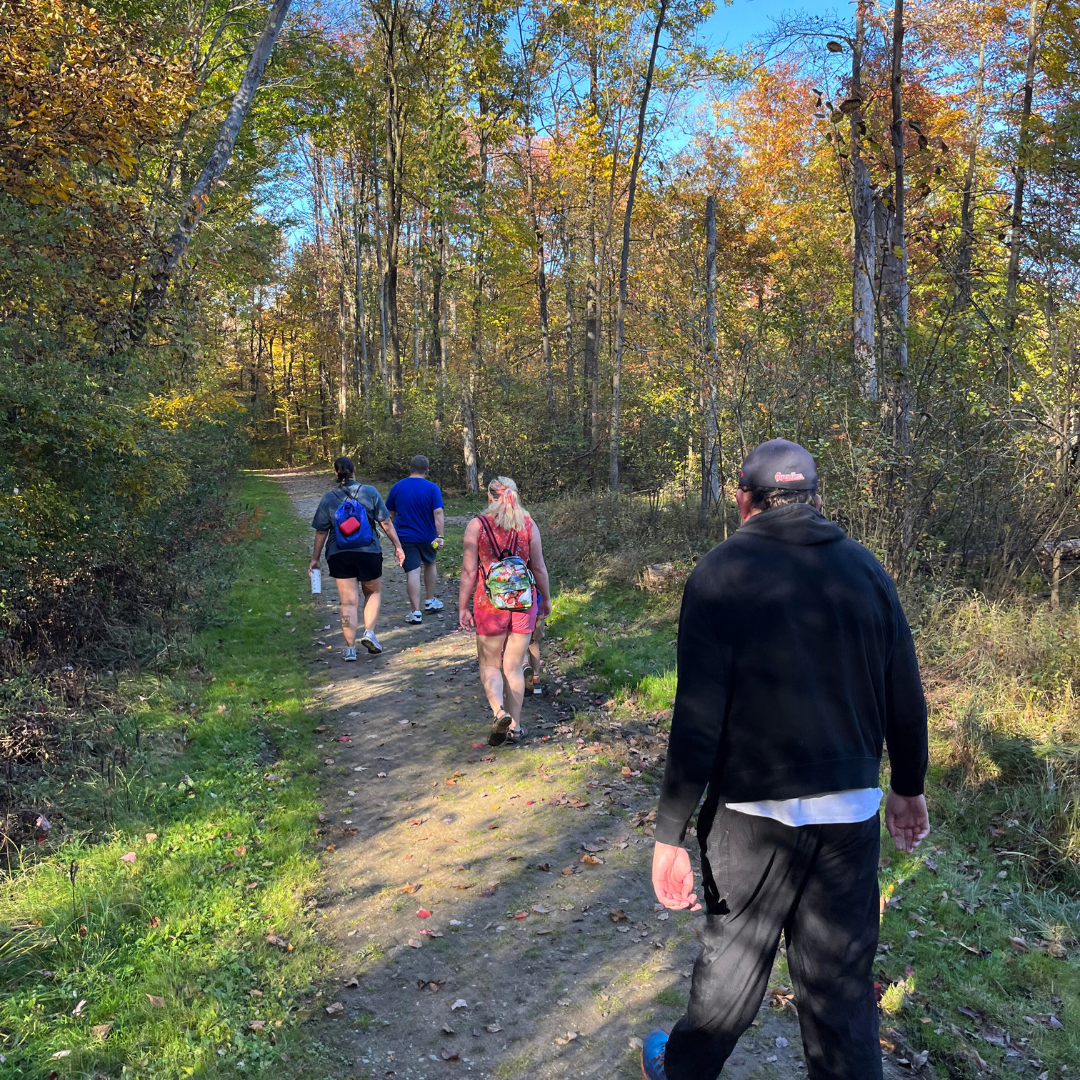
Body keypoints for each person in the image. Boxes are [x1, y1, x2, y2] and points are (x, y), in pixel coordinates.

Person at [641, 438, 929, 1080]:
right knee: (841, 996)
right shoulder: (867, 571)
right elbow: (905, 695)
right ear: (816, 499)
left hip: (749, 814)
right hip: (850, 813)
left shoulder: (719, 573)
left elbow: (697, 721)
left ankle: (680, 1071)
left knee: (729, 982)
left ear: (745, 500)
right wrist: (908, 787)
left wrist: (670, 833)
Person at [458, 477, 552, 746]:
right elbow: (539, 567)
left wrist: (463, 607)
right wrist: (545, 599)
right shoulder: (528, 525)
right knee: (513, 667)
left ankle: (499, 712)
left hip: (489, 604)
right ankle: (517, 727)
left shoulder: (477, 526)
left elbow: (467, 572)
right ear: (515, 495)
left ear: (489, 497)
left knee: (489, 665)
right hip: (523, 602)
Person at [310, 456, 405, 660]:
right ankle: (369, 632)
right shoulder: (369, 492)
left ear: (336, 473)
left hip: (339, 553)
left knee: (348, 602)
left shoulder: (329, 498)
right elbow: (385, 522)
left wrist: (315, 558)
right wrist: (398, 546)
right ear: (354, 470)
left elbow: (321, 532)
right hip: (368, 552)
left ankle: (350, 649)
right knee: (372, 593)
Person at [386, 455, 446, 625]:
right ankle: (430, 599)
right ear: (427, 471)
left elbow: (389, 515)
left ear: (409, 469)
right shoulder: (433, 488)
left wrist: (392, 538)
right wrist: (440, 536)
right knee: (430, 563)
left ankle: (415, 611)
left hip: (405, 537)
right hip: (428, 537)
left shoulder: (397, 487)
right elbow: (438, 514)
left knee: (412, 571)